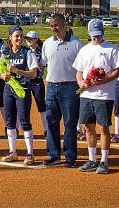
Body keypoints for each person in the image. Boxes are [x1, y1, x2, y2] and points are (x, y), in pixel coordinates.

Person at [73, 19, 119, 174]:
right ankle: (92, 159)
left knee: (104, 128)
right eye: (94, 35)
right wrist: (81, 83)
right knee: (88, 126)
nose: (96, 38)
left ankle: (104, 161)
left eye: (99, 35)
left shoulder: (112, 49)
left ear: (103, 33)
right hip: (86, 95)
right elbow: (79, 71)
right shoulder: (84, 50)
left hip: (104, 95)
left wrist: (102, 80)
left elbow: (117, 71)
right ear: (89, 33)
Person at [42, 13, 84, 168]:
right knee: (51, 122)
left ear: (64, 24)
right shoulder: (47, 43)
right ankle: (53, 155)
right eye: (52, 26)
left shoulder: (76, 44)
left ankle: (70, 156)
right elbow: (43, 65)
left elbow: (83, 68)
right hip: (52, 87)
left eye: (57, 25)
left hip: (70, 87)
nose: (54, 29)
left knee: (70, 123)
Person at [1, 25, 38, 166]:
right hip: (9, 89)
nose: (19, 38)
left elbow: (34, 73)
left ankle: (30, 153)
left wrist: (17, 70)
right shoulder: (5, 52)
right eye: (16, 36)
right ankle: (13, 152)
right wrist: (2, 74)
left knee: (24, 121)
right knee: (9, 121)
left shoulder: (27, 53)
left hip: (22, 89)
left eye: (21, 36)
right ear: (10, 38)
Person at [25, 30, 48, 137]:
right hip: (25, 81)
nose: (28, 40)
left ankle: (46, 129)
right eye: (27, 38)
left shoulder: (41, 51)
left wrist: (35, 60)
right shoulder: (24, 50)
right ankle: (16, 129)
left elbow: (42, 70)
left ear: (36, 39)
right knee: (23, 105)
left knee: (41, 105)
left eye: (31, 38)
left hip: (37, 81)